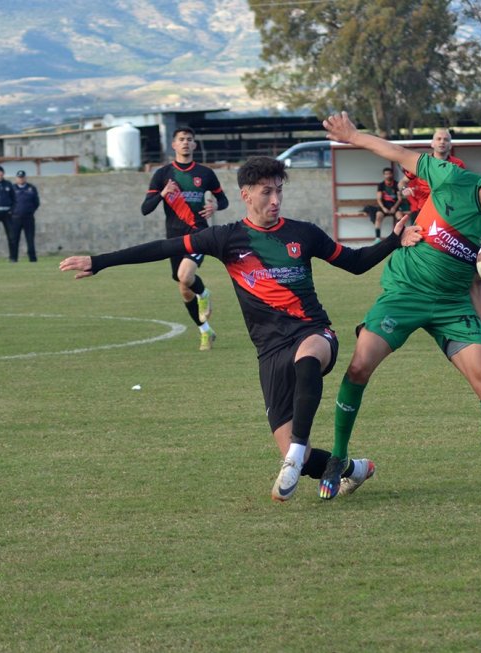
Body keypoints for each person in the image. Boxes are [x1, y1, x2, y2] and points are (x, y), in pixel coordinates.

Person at [60, 156, 422, 502]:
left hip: (314, 331)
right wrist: (99, 262)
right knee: (307, 455)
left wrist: (394, 240)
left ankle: (295, 455)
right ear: (246, 195)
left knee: (309, 359)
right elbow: (162, 247)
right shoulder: (226, 238)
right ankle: (353, 468)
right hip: (269, 351)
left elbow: (354, 263)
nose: (276, 199)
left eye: (280, 190)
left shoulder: (303, 234)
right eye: (267, 192)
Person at [320, 110, 481, 503]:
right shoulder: (452, 178)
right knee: (360, 365)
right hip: (405, 290)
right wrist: (355, 136)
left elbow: (478, 280)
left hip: (452, 304)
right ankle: (337, 458)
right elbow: (398, 154)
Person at [141, 126, 230, 351]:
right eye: (181, 139)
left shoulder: (205, 173)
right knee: (183, 286)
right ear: (173, 145)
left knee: (185, 275)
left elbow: (224, 200)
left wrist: (215, 206)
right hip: (173, 238)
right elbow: (145, 209)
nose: (185, 143)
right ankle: (205, 331)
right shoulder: (162, 175)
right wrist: (163, 194)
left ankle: (204, 293)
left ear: (194, 145)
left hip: (199, 233)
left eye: (189, 140)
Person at [400, 127, 466, 222]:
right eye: (438, 139)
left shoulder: (458, 164)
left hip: (447, 211)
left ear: (450, 145)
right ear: (432, 144)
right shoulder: (421, 162)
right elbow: (402, 183)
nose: (442, 142)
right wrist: (404, 189)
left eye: (446, 140)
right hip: (423, 209)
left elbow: (463, 187)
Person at [10, 170, 41, 263]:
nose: (21, 179)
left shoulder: (31, 188)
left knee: (30, 239)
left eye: (22, 177)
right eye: (19, 177)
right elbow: (9, 201)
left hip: (28, 218)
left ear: (25, 178)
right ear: (16, 178)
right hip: (15, 218)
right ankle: (13, 259)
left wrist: (30, 211)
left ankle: (32, 259)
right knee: (14, 239)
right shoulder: (12, 188)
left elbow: (36, 202)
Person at [371, 167, 406, 243]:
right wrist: (383, 208)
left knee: (400, 217)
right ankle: (377, 238)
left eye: (389, 173)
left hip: (395, 206)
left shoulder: (397, 184)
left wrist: (394, 207)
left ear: (392, 174)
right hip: (384, 207)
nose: (388, 175)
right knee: (378, 216)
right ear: (384, 175)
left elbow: (399, 199)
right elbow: (379, 199)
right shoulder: (381, 185)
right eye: (386, 174)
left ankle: (399, 236)